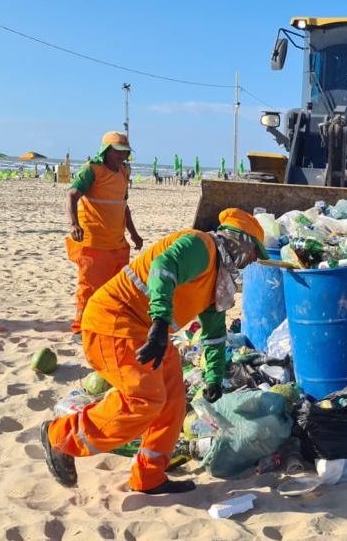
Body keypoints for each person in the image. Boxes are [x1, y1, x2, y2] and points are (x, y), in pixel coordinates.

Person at [41, 208, 269, 494]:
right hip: (114, 322)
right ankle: (60, 437)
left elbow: (213, 334)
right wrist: (161, 322)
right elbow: (164, 267)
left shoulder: (219, 279)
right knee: (144, 399)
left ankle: (149, 476)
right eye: (253, 252)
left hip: (147, 332)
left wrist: (213, 377)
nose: (251, 262)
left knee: (173, 401)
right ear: (240, 241)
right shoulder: (201, 245)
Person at [65, 131, 143, 338]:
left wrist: (134, 234)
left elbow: (124, 206)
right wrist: (74, 224)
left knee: (117, 288)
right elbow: (72, 195)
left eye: (125, 151)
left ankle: (105, 322)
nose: (122, 155)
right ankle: (81, 328)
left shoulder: (124, 172)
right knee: (89, 287)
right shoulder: (91, 170)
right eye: (118, 151)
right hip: (93, 242)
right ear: (106, 150)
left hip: (117, 243)